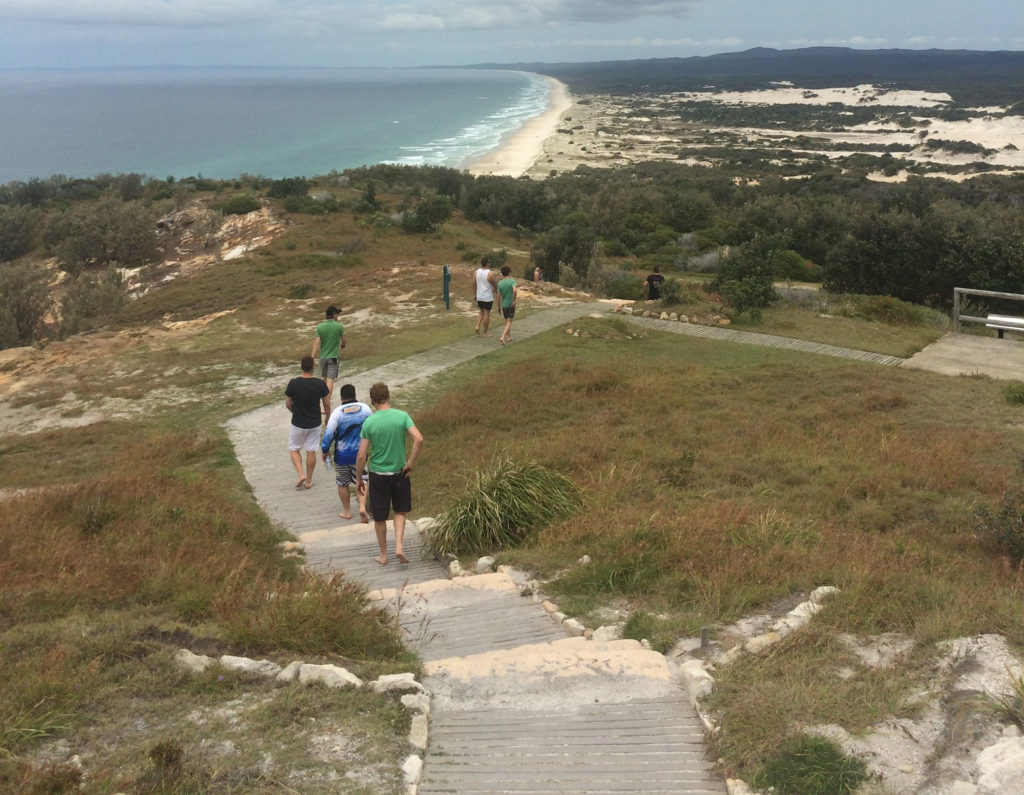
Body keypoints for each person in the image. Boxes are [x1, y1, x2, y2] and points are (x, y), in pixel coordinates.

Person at [356, 382, 424, 565]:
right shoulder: (402, 416)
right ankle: (399, 547)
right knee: (400, 510)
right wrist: (410, 462)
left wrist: (359, 479)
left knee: (379, 517)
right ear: (388, 396)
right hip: (400, 473)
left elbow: (362, 455)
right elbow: (419, 439)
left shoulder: (369, 422)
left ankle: (383, 555)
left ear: (373, 401)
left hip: (378, 474)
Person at [321, 383, 373, 521]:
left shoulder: (337, 412)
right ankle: (362, 506)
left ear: (341, 397)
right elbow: (372, 428)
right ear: (354, 394)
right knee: (362, 479)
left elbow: (328, 433)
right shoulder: (366, 409)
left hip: (342, 455)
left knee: (342, 482)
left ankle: (347, 511)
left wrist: (325, 450)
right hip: (360, 454)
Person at [285, 355, 330, 490]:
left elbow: (288, 404)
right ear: (313, 367)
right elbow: (326, 404)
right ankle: (309, 480)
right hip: (315, 422)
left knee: (294, 449)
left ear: (301, 366)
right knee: (311, 450)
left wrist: (295, 411)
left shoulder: (293, 383)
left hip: (298, 422)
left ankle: (300, 474)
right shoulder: (320, 384)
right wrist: (328, 417)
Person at [311, 305, 346, 415]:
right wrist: (342, 346)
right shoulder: (339, 326)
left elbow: (316, 343)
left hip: (323, 358)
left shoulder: (320, 327)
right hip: (333, 357)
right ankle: (326, 404)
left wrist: (312, 357)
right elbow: (344, 341)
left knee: (325, 381)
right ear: (334, 314)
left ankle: (322, 404)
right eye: (337, 314)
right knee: (330, 381)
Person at [474, 256, 499, 337]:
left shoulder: (476, 272)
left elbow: (473, 284)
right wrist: (497, 292)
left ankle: (477, 326)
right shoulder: (490, 273)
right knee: (486, 315)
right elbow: (495, 284)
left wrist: (475, 294)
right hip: (487, 297)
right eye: (489, 262)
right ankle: (485, 333)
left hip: (479, 296)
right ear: (487, 264)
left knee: (481, 312)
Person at [496, 265, 518, 346]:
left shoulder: (500, 283)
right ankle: (503, 336)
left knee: (507, 321)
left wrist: (498, 307)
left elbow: (498, 296)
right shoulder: (512, 281)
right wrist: (514, 300)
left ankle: (509, 337)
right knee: (509, 321)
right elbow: (515, 290)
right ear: (509, 272)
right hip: (511, 304)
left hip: (504, 305)